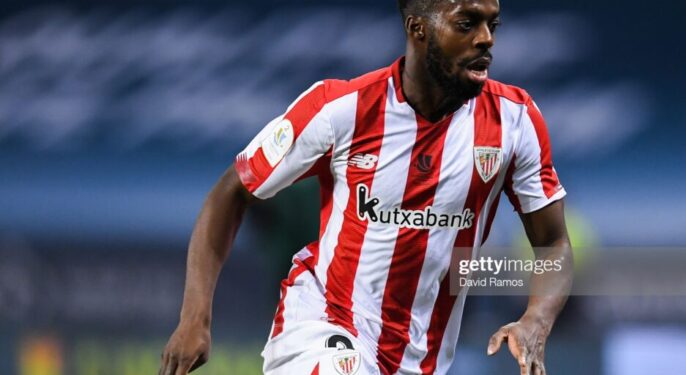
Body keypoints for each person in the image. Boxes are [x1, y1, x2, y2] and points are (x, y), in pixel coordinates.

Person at [159, 0, 573, 374]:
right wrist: (195, 318)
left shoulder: (515, 122)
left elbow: (553, 242)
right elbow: (233, 189)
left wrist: (536, 318)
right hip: (321, 324)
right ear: (418, 29)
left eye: (492, 25)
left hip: (422, 358)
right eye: (467, 23)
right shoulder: (341, 109)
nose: (485, 39)